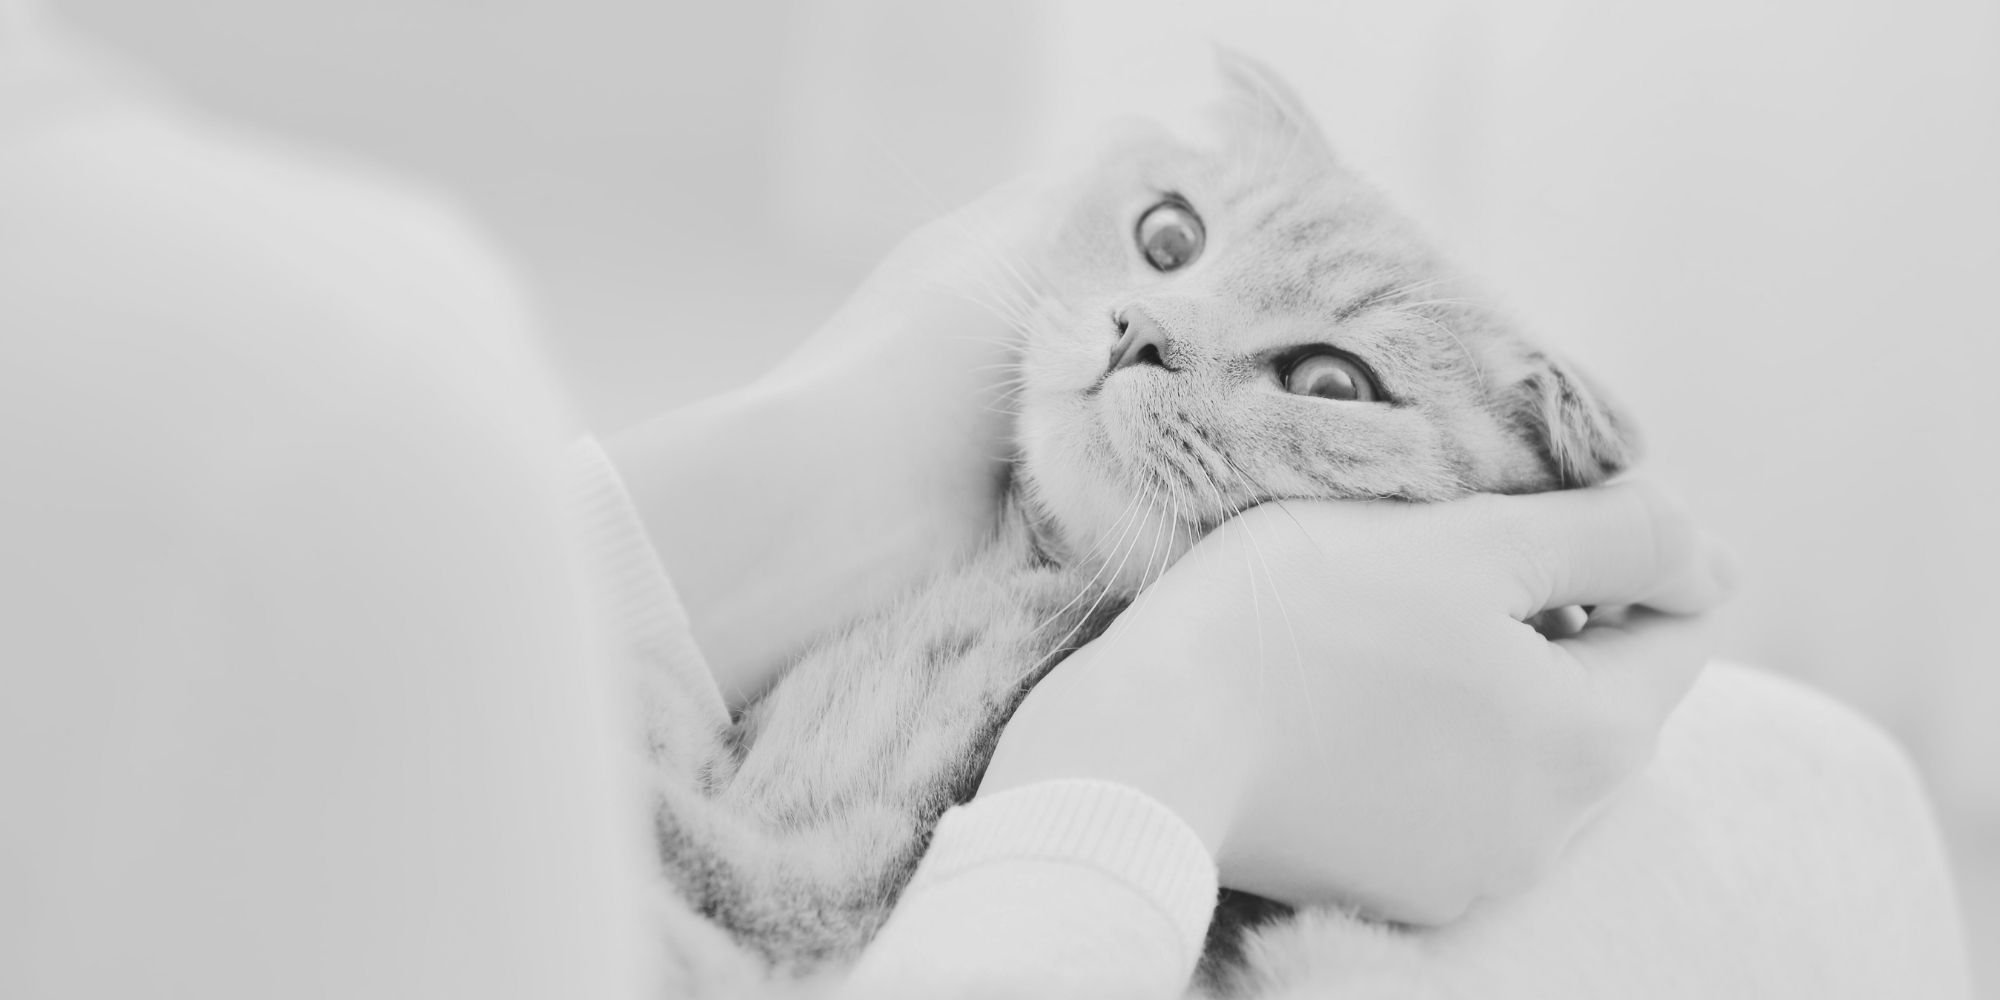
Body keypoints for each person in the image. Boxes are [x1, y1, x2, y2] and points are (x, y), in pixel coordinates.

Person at [1, 9, 1971, 1000]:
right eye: (1175, 250)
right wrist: (1173, 742)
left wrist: (791, 475)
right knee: (1808, 796)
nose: (1156, 335)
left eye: (1317, 379)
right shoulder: (286, 446)